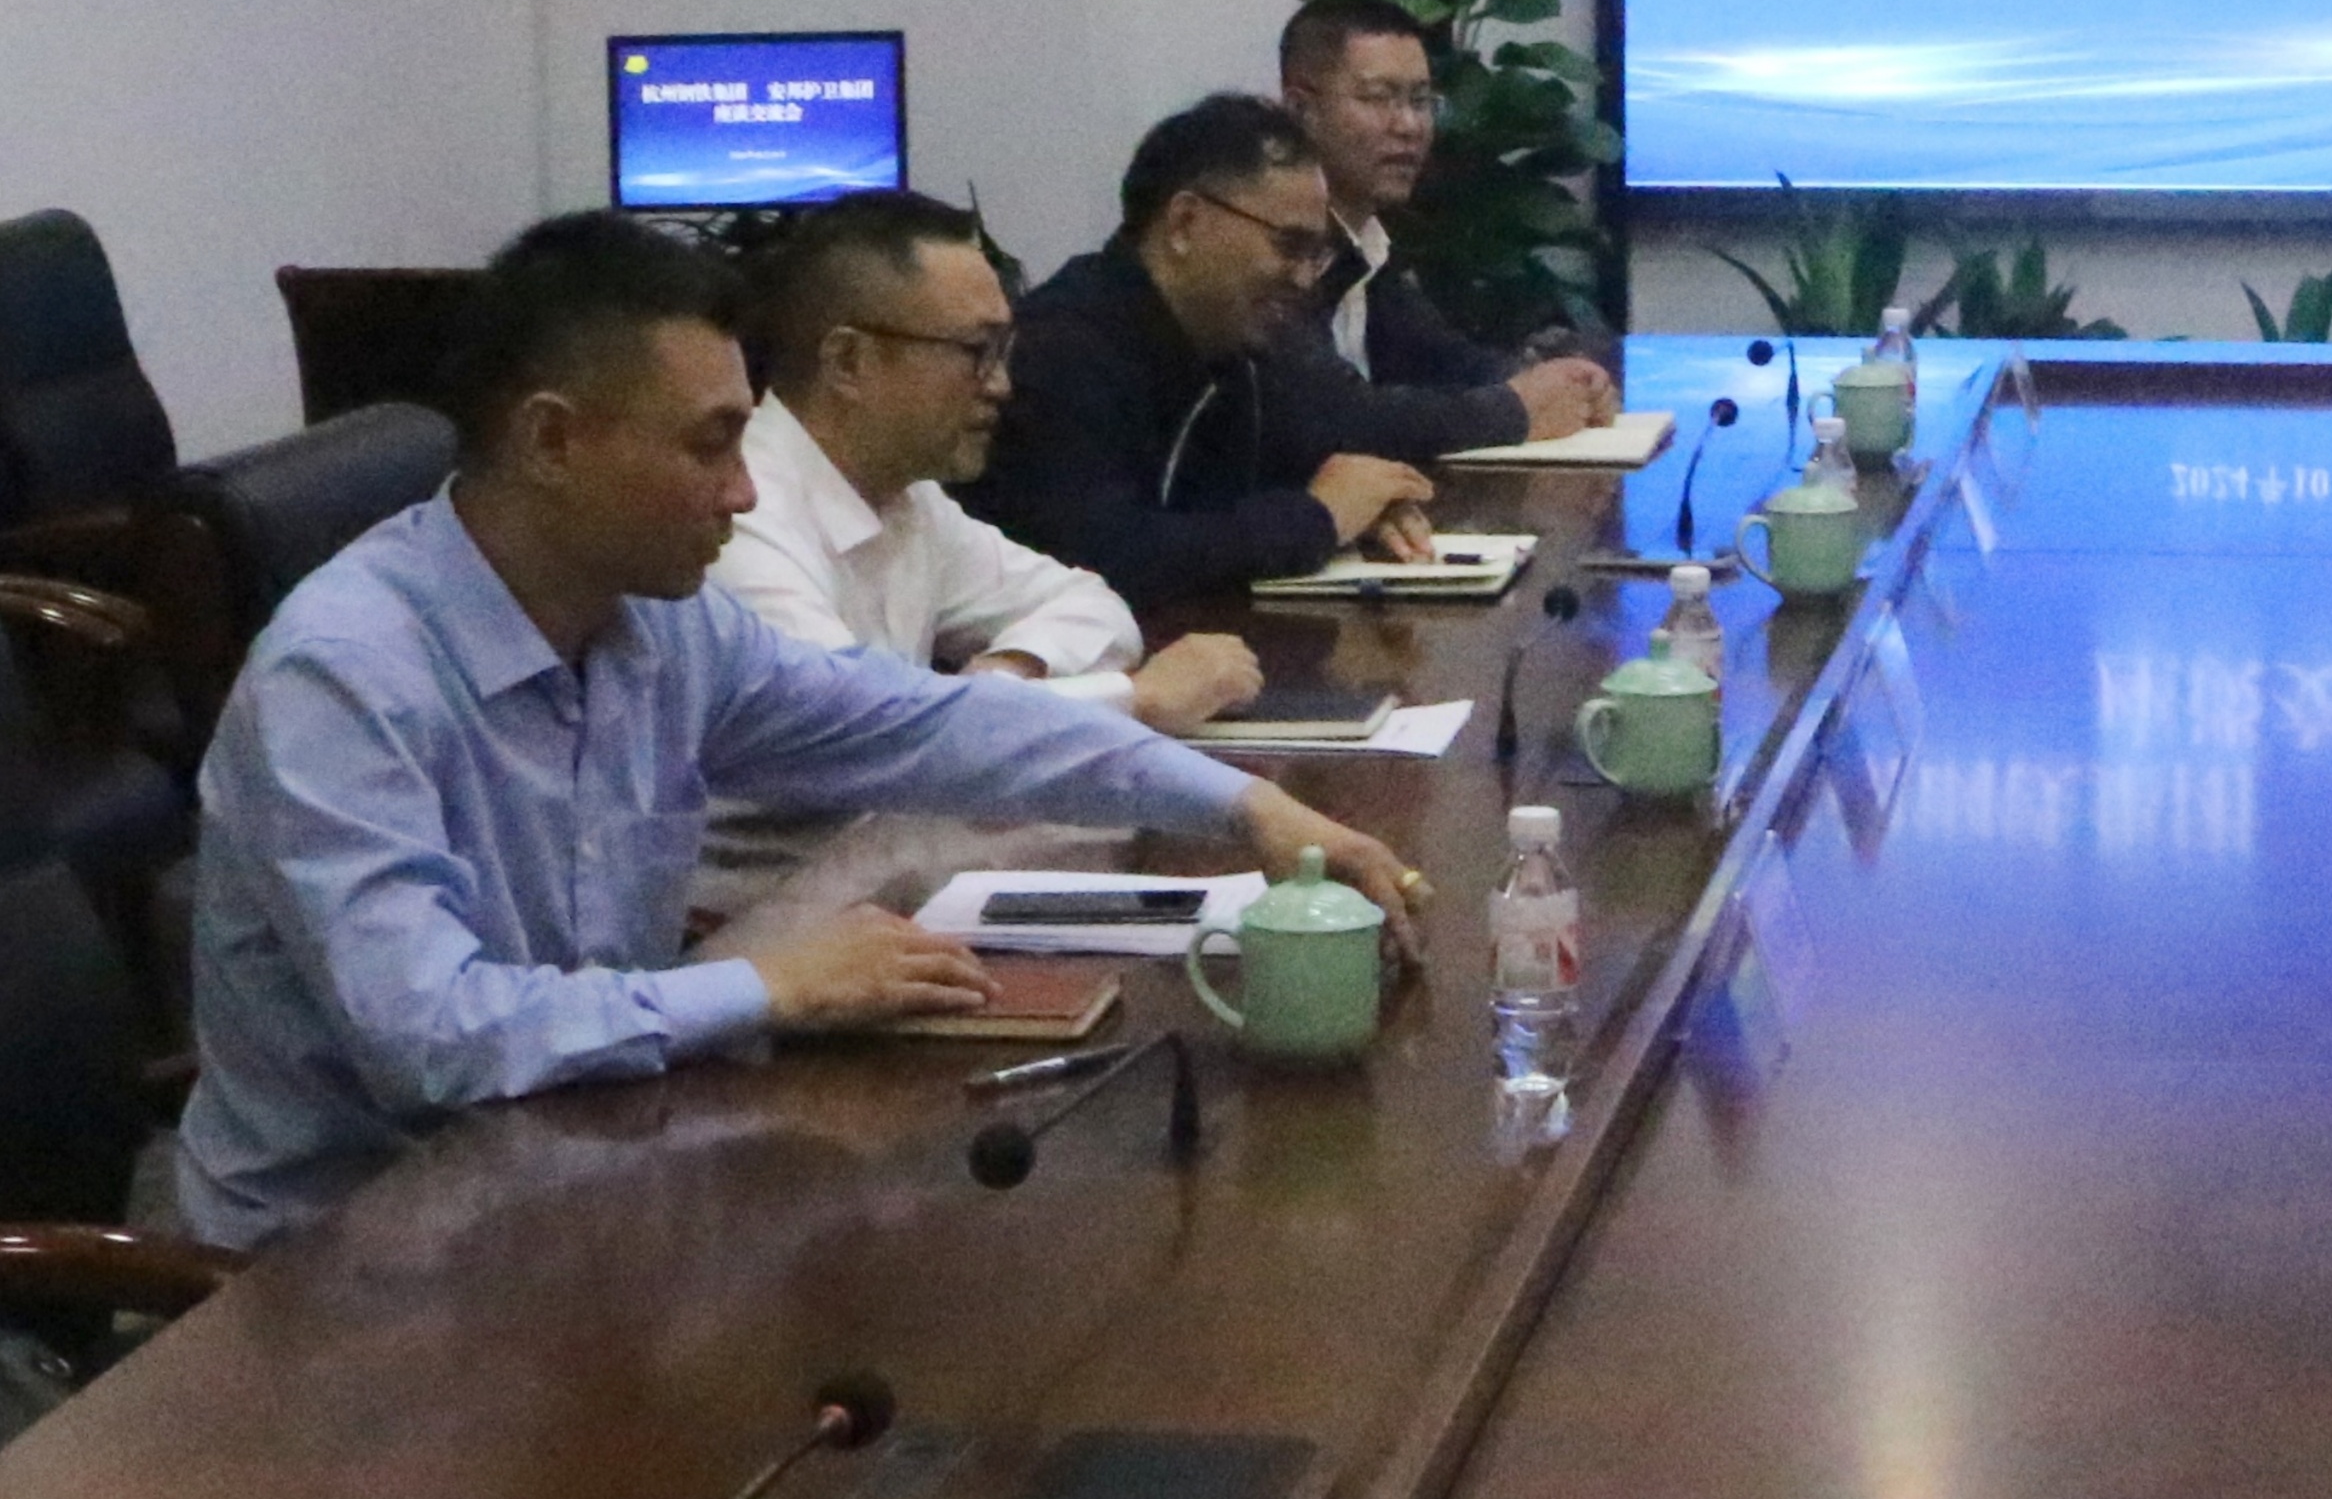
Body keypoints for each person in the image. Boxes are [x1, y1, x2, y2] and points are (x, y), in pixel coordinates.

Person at [178, 212, 1417, 1249]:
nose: (744, 488)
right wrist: (767, 986)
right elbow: (429, 1037)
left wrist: (1244, 806)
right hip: (343, 1256)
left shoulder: (659, 625)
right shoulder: (344, 677)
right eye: (710, 443)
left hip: (576, 1160)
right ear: (552, 439)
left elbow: (939, 725)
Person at [701, 190, 1269, 917]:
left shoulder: (910, 500)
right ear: (848, 360)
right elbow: (873, 748)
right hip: (749, 927)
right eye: (977, 352)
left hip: (878, 888)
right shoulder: (742, 517)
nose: (1001, 385)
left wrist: (1008, 676)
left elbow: (1091, 604)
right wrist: (1136, 699)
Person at [970, 95, 1439, 608]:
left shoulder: (1235, 342)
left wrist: (1366, 505)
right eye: (1289, 245)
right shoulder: (1059, 349)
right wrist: (1318, 519)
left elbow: (1309, 460)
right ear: (1185, 223)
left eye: (1316, 253)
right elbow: (1102, 560)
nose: (1306, 279)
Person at [1274, 0, 1618, 459]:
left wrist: (1563, 383)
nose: (1409, 126)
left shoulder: (1366, 242)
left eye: (1420, 101)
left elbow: (1444, 360)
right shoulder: (1274, 248)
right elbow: (1338, 417)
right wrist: (1516, 409)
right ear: (1300, 111)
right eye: (1379, 98)